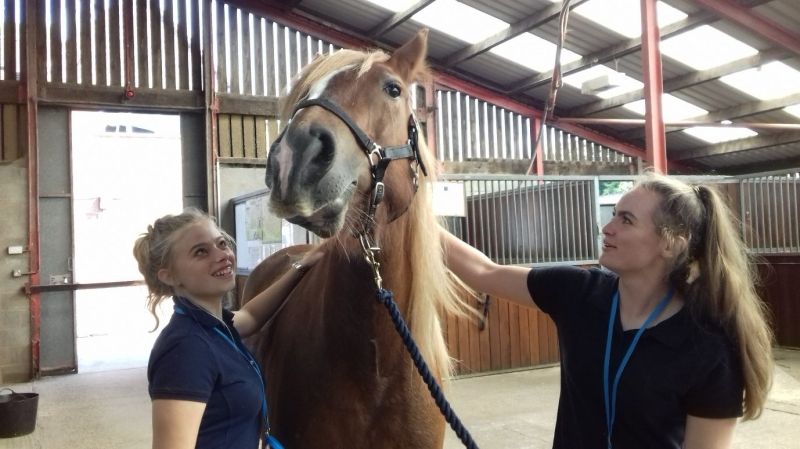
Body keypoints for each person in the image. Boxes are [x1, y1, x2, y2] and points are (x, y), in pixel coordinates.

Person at [442, 172, 773, 449]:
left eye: (625, 220)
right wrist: (411, 211)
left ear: (671, 244)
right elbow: (483, 273)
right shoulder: (578, 293)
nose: (607, 228)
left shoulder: (709, 348)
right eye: (613, 214)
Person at [133, 208, 319, 449]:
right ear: (169, 276)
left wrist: (300, 268)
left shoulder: (214, 326)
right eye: (201, 252)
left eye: (221, 243)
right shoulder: (185, 350)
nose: (222, 255)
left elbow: (250, 317)